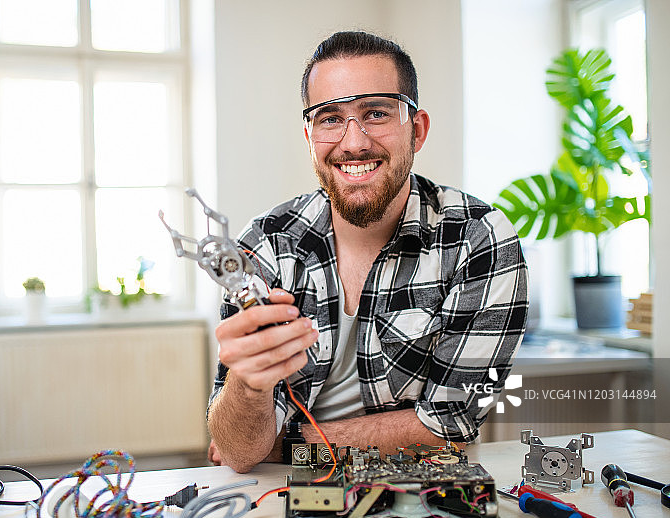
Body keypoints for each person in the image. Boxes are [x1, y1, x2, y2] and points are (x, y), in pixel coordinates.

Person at [207, 31, 528, 473]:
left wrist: (281, 446)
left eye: (375, 113)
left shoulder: (480, 240)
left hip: (420, 491)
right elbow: (241, 452)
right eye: (330, 118)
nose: (354, 142)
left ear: (417, 130)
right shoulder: (264, 243)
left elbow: (448, 427)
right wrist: (248, 387)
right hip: (277, 498)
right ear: (309, 135)